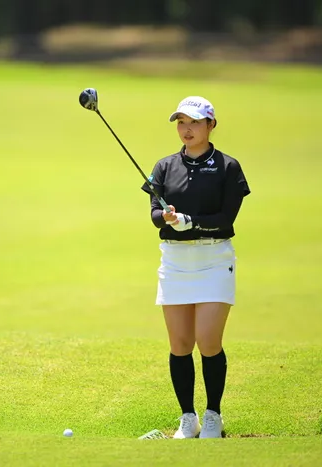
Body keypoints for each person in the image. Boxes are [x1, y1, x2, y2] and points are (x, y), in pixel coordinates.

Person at [141, 96, 251, 439]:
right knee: (180, 343)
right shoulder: (164, 166)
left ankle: (213, 415)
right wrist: (167, 217)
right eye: (181, 122)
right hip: (175, 262)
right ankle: (188, 418)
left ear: (210, 125)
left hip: (214, 259)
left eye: (194, 122)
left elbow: (226, 218)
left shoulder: (228, 167)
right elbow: (154, 213)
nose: (186, 129)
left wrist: (192, 222)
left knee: (208, 341)